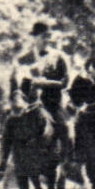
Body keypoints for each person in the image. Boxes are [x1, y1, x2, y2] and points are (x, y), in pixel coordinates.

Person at [20, 21, 72, 154]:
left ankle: (70, 162)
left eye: (49, 36)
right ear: (35, 37)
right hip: (29, 102)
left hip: (53, 102)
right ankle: (4, 161)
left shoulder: (59, 57)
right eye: (44, 36)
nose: (47, 40)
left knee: (67, 127)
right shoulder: (24, 58)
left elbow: (65, 82)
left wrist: (44, 83)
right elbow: (19, 83)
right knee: (9, 122)